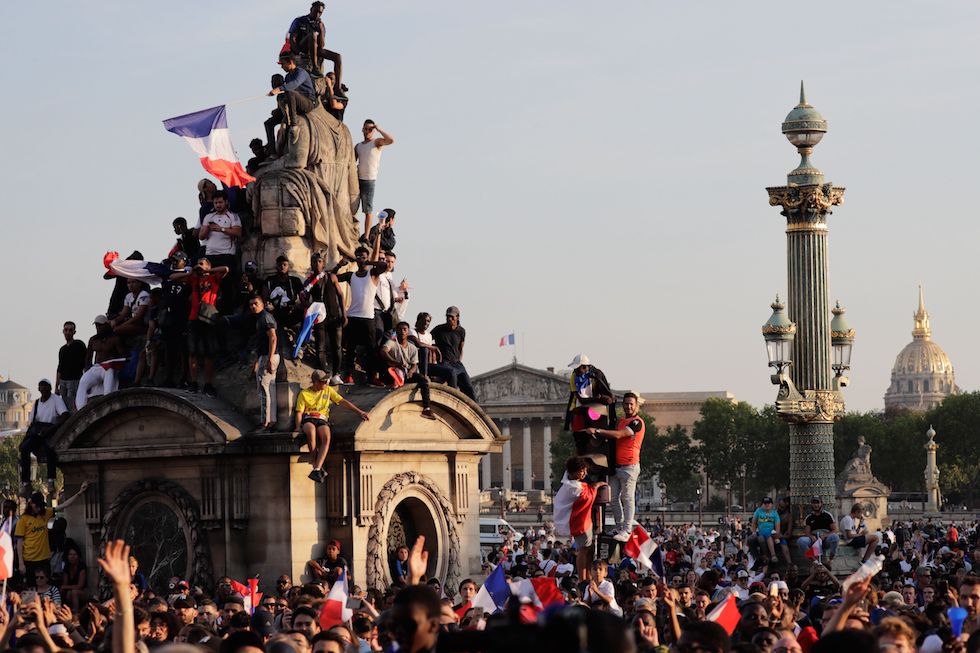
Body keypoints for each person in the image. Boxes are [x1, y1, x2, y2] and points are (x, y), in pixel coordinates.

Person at [588, 391, 646, 542]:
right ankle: (620, 525)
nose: (628, 407)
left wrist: (599, 431)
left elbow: (619, 435)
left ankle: (627, 529)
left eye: (631, 404)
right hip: (616, 466)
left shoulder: (637, 422)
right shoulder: (621, 421)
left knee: (627, 497)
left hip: (629, 465)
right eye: (626, 404)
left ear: (636, 406)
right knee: (613, 498)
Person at [294, 369, 370, 482]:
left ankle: (317, 468)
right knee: (311, 432)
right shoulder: (304, 393)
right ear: (315, 382)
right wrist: (297, 426)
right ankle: (316, 465)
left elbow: (342, 401)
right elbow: (299, 412)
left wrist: (360, 412)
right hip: (309, 418)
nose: (326, 383)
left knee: (326, 436)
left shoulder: (328, 390)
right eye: (323, 382)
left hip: (322, 419)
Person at [170, 258, 230, 396]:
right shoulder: (193, 279)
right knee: (193, 352)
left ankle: (208, 384)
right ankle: (194, 382)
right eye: (198, 264)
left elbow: (226, 269)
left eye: (202, 264)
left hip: (208, 319)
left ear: (209, 266)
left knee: (209, 353)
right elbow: (172, 277)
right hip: (194, 318)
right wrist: (191, 273)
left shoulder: (214, 278)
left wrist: (207, 271)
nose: (199, 266)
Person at [337, 243, 388, 384]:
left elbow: (383, 266)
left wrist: (368, 262)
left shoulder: (372, 273)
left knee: (372, 349)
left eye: (363, 257)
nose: (360, 259)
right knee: (350, 348)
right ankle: (348, 374)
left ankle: (373, 377)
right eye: (358, 257)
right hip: (353, 316)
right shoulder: (351, 276)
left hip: (368, 317)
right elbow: (333, 277)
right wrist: (339, 265)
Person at [15, 486, 87, 579]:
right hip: (29, 559)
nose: (38, 508)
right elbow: (19, 541)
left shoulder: (46, 513)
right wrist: (21, 563)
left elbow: (64, 505)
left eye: (40, 506)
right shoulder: (23, 520)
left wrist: (79, 493)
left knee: (45, 584)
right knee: (32, 587)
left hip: (44, 558)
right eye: (36, 506)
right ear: (31, 504)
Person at [553, 456, 606, 581]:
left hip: (583, 521)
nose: (585, 473)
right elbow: (587, 496)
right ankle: (583, 578)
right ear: (574, 472)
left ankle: (586, 576)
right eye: (582, 471)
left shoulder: (570, 482)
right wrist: (596, 486)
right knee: (583, 550)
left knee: (588, 549)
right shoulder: (574, 487)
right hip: (580, 522)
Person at [303, 252, 345, 384]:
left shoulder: (331, 277)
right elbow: (305, 299)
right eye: (314, 262)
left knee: (336, 346)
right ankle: (325, 374)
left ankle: (336, 374)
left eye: (319, 261)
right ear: (311, 264)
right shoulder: (309, 281)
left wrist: (344, 313)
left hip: (334, 316)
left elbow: (340, 295)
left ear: (324, 264)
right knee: (320, 347)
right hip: (319, 317)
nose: (317, 264)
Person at [19, 379, 68, 494]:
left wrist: (50, 429)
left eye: (46, 387)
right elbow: (31, 425)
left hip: (51, 430)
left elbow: (65, 415)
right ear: (39, 389)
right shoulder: (36, 403)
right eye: (42, 387)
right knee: (24, 449)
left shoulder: (56, 400)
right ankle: (26, 482)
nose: (44, 390)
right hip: (38, 432)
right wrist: (24, 440)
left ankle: (51, 480)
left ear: (50, 388)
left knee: (49, 449)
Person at [379, 322, 436, 420]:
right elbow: (383, 351)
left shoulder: (412, 348)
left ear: (408, 332)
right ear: (396, 331)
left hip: (406, 373)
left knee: (423, 380)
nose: (402, 332)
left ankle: (426, 408)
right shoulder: (392, 342)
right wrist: (395, 362)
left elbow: (414, 365)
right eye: (400, 329)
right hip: (394, 373)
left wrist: (411, 372)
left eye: (404, 329)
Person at [197, 190, 241, 314]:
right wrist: (207, 229)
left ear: (226, 202)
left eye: (220, 202)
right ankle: (209, 312)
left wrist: (221, 229)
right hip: (210, 256)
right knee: (209, 286)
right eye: (216, 203)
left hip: (226, 255)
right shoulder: (209, 216)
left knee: (227, 286)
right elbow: (201, 237)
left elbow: (238, 232)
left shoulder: (233, 216)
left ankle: (226, 314)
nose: (218, 205)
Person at [264, 53, 318, 154]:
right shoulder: (288, 76)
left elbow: (294, 84)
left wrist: (279, 88)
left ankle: (294, 124)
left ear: (291, 62)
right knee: (268, 123)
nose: (282, 66)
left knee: (290, 92)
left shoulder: (301, 72)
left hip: (307, 103)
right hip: (293, 104)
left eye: (283, 64)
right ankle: (271, 148)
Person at [354, 120, 395, 240]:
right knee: (353, 206)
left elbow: (391, 140)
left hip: (369, 179)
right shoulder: (358, 146)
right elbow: (351, 161)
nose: (367, 131)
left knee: (367, 210)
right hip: (358, 178)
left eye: (370, 129)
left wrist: (378, 129)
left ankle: (366, 236)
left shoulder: (376, 142)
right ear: (362, 129)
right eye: (366, 129)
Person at [76, 315, 127, 409]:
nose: (98, 328)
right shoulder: (93, 340)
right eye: (96, 326)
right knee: (83, 382)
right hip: (96, 367)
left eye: (100, 325)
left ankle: (107, 403)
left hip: (109, 367)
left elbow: (123, 356)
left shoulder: (115, 338)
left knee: (109, 378)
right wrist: (87, 369)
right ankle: (80, 409)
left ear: (106, 325)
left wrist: (114, 363)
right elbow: (88, 357)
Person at [287, 1, 343, 85]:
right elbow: (292, 39)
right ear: (311, 9)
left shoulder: (320, 24)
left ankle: (338, 87)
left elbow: (322, 45)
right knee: (312, 35)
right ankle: (314, 67)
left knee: (337, 57)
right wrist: (299, 52)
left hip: (315, 49)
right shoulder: (300, 20)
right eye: (315, 11)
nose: (317, 14)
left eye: (320, 13)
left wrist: (321, 30)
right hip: (302, 47)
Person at [428, 306, 476, 400]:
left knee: (470, 389)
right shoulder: (438, 329)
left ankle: (475, 411)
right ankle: (453, 400)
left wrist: (459, 359)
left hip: (457, 363)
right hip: (445, 362)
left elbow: (461, 348)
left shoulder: (461, 331)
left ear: (457, 317)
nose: (449, 319)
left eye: (451, 317)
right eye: (447, 317)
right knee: (452, 375)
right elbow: (427, 340)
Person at [250, 295, 279, 431]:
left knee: (263, 388)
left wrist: (269, 358)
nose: (253, 306)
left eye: (256, 303)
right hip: (267, 355)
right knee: (270, 388)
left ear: (262, 304)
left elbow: (273, 338)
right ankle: (271, 420)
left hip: (269, 355)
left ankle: (264, 422)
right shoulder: (260, 318)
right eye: (251, 305)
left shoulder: (264, 317)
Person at [263, 255, 305, 330]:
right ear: (276, 266)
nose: (282, 267)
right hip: (273, 314)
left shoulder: (295, 281)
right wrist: (268, 305)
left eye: (284, 264)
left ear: (288, 266)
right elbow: (264, 297)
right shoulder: (269, 280)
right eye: (280, 265)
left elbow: (303, 297)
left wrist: (298, 306)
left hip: (291, 313)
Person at [797, 496, 840, 565]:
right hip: (814, 539)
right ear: (811, 504)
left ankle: (831, 559)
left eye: (817, 503)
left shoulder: (827, 515)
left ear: (821, 503)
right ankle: (814, 560)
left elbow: (835, 530)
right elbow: (807, 532)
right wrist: (811, 537)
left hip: (826, 539)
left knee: (835, 537)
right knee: (801, 541)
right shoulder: (809, 517)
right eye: (814, 503)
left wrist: (825, 535)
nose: (816, 505)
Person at [55, 321, 87, 411]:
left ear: (74, 332)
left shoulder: (79, 344)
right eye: (66, 330)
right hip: (63, 381)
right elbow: (59, 368)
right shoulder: (62, 349)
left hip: (74, 380)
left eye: (70, 330)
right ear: (63, 331)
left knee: (72, 404)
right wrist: (56, 386)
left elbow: (85, 361)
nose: (68, 332)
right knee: (63, 405)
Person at [408, 312, 439, 377]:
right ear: (418, 321)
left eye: (428, 321)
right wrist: (434, 348)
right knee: (424, 349)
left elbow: (429, 352)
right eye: (423, 320)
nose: (426, 323)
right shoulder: (412, 331)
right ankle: (423, 375)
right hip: (414, 359)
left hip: (425, 361)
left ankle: (428, 372)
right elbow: (418, 344)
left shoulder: (429, 336)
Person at [752, 497, 780, 563]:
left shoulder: (775, 513)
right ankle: (773, 555)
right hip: (761, 530)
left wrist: (777, 534)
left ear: (772, 504)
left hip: (772, 531)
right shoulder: (758, 511)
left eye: (768, 503)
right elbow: (753, 522)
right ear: (762, 504)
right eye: (765, 503)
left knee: (768, 533)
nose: (767, 505)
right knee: (766, 533)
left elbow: (777, 524)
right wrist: (753, 532)